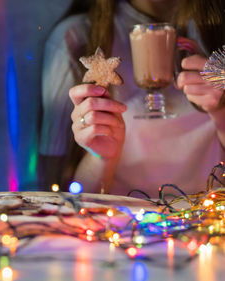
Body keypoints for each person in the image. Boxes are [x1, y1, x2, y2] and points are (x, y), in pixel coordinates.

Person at [39, 0, 225, 196]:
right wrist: (101, 158)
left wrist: (220, 111)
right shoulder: (76, 37)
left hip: (211, 219)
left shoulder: (216, 31)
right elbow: (58, 193)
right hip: (122, 222)